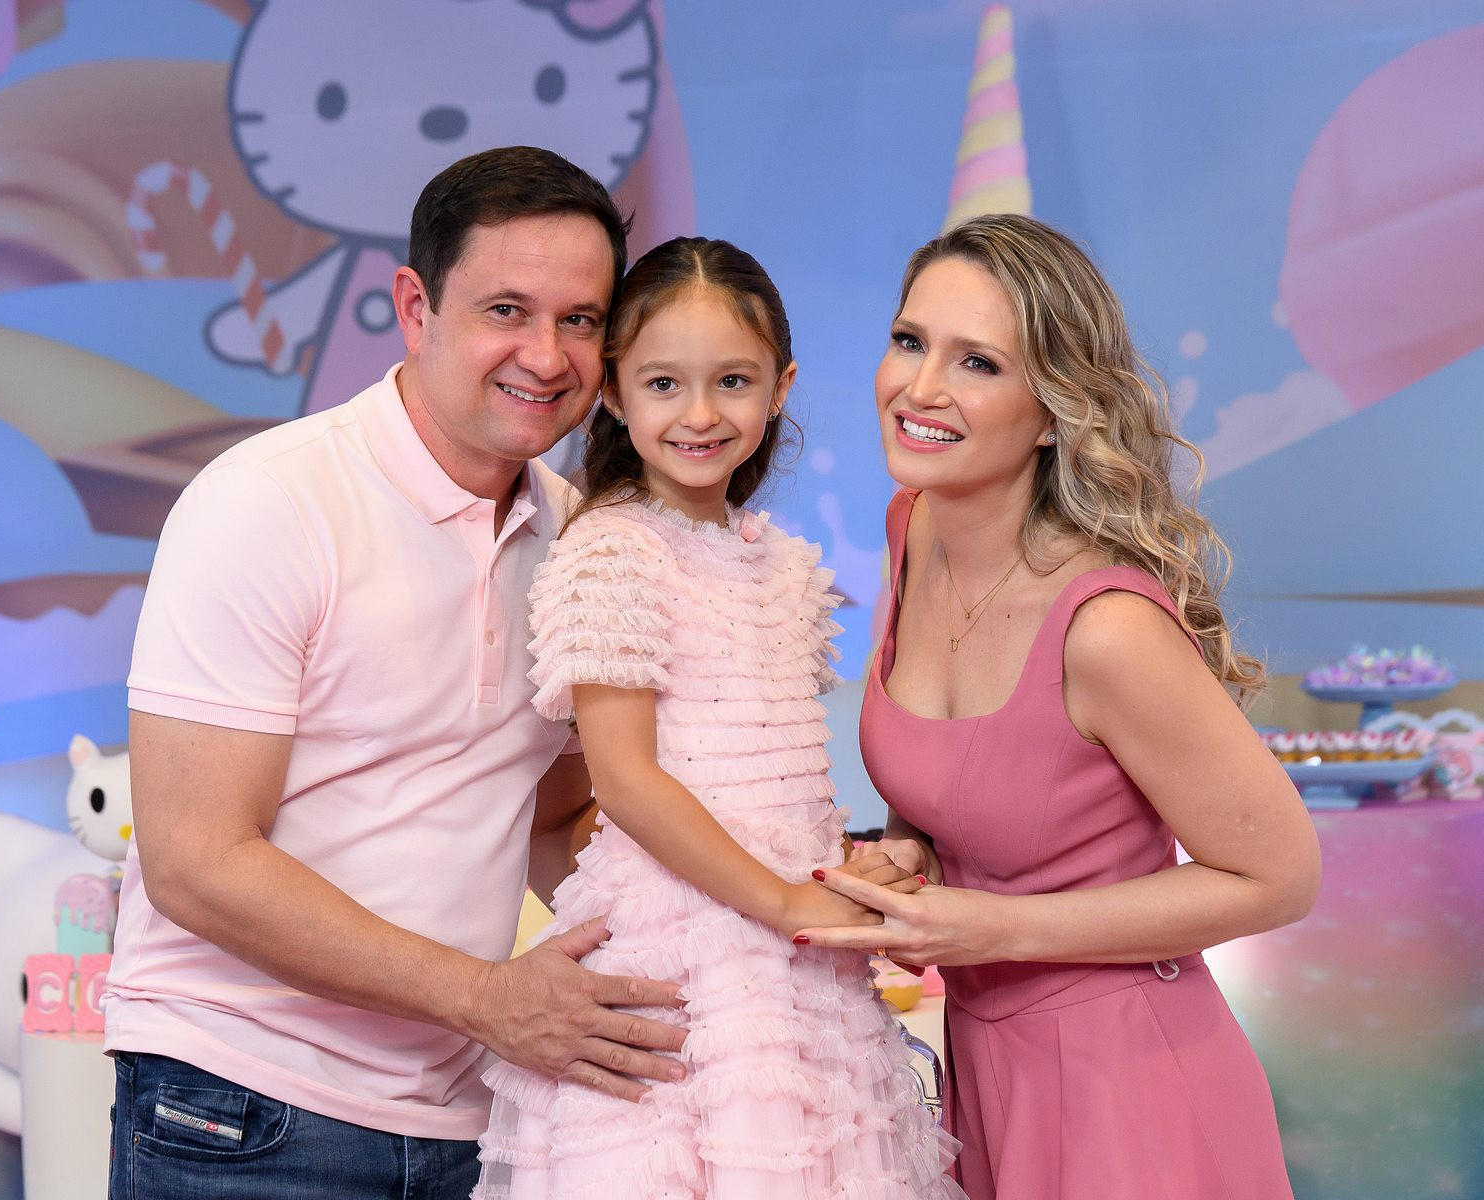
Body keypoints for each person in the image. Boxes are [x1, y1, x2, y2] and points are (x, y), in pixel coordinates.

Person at [103, 146, 691, 1200]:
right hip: (240, 1104)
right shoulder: (270, 502)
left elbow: (556, 820)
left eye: (580, 320)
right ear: (416, 308)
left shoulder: (580, 540)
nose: (545, 355)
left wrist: (737, 925)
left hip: (469, 1114)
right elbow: (194, 862)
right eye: (506, 310)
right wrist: (487, 997)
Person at [797, 213, 1321, 1198]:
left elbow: (1280, 879)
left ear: (1052, 412)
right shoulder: (912, 528)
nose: (921, 387)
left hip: (1133, 1084)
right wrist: (910, 849)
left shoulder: (1108, 629)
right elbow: (966, 783)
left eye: (978, 363)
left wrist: (992, 929)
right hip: (986, 1068)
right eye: (910, 341)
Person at [473, 237, 964, 1199]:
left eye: (732, 381)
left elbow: (779, 780)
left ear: (780, 387)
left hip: (798, 957)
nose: (699, 415)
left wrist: (846, 868)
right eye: (664, 383)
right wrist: (782, 903)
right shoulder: (612, 550)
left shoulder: (783, 563)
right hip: (684, 955)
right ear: (615, 391)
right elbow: (627, 783)